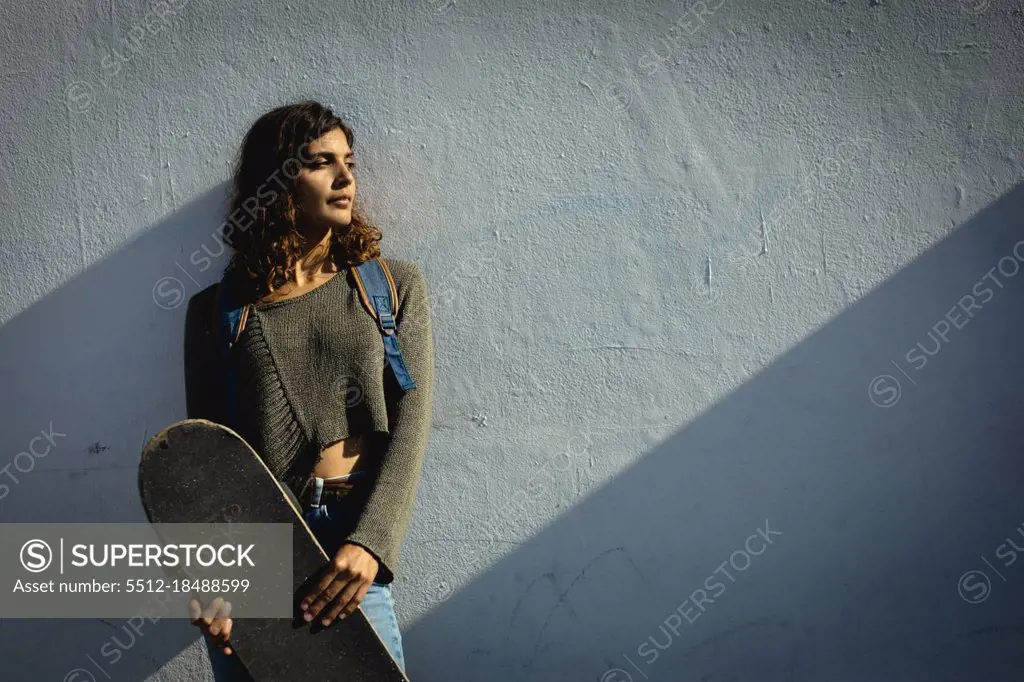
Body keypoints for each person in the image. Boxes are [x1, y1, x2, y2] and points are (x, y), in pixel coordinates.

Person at [182, 100, 435, 679]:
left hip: (349, 549)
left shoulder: (391, 287)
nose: (346, 178)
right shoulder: (215, 313)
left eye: (349, 161)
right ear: (277, 181)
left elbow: (413, 421)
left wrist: (372, 543)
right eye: (323, 162)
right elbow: (207, 457)